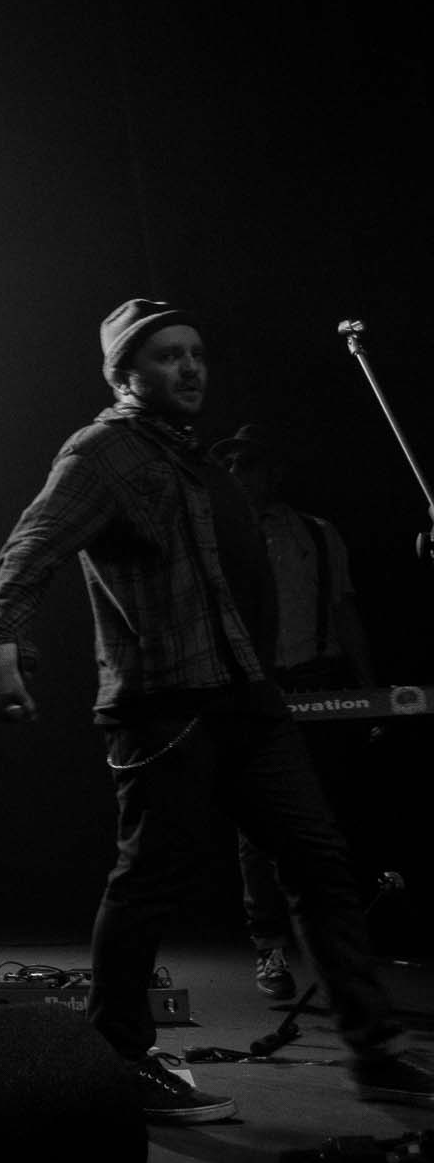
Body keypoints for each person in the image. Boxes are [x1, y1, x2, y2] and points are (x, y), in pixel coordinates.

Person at [0, 299, 433, 1122]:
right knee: (149, 881)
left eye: (196, 353)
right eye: (167, 356)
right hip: (164, 706)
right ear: (124, 373)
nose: (190, 367)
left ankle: (375, 1051)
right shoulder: (103, 452)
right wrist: (5, 643)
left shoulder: (200, 463)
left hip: (245, 698)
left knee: (321, 861)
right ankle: (119, 1059)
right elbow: (32, 544)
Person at [212, 422, 379, 1001]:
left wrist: (371, 693)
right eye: (227, 463)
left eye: (246, 463)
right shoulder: (217, 536)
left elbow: (344, 613)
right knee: (256, 828)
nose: (234, 472)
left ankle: (336, 957)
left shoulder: (317, 533)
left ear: (272, 472)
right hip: (252, 687)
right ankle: (270, 947)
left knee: (320, 826)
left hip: (316, 683)